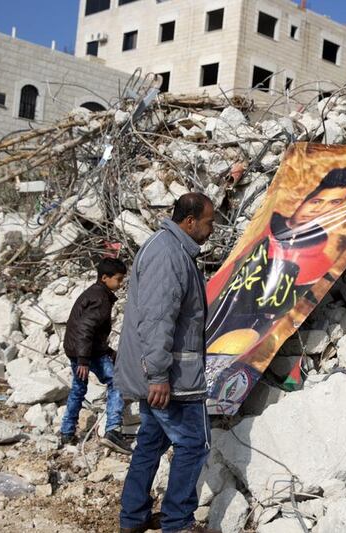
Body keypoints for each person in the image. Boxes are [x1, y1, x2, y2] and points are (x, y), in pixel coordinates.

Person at [115, 193, 218, 533]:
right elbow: (158, 319)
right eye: (208, 222)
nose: (211, 228)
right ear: (189, 222)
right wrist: (158, 375)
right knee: (192, 445)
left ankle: (133, 518)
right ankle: (177, 522)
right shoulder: (168, 254)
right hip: (173, 380)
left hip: (167, 376)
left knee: (151, 442)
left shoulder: (171, 250)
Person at [205, 168, 346, 354]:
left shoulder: (320, 263)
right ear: (304, 199)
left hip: (244, 344)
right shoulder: (264, 226)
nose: (320, 209)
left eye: (335, 203)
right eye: (317, 201)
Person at [60, 257, 131, 455]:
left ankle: (66, 432)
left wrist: (107, 351)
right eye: (118, 279)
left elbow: (92, 332)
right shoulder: (100, 299)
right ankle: (113, 430)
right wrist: (84, 360)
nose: (121, 283)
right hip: (86, 353)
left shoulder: (95, 294)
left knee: (78, 389)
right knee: (116, 381)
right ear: (104, 278)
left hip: (79, 350)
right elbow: (86, 329)